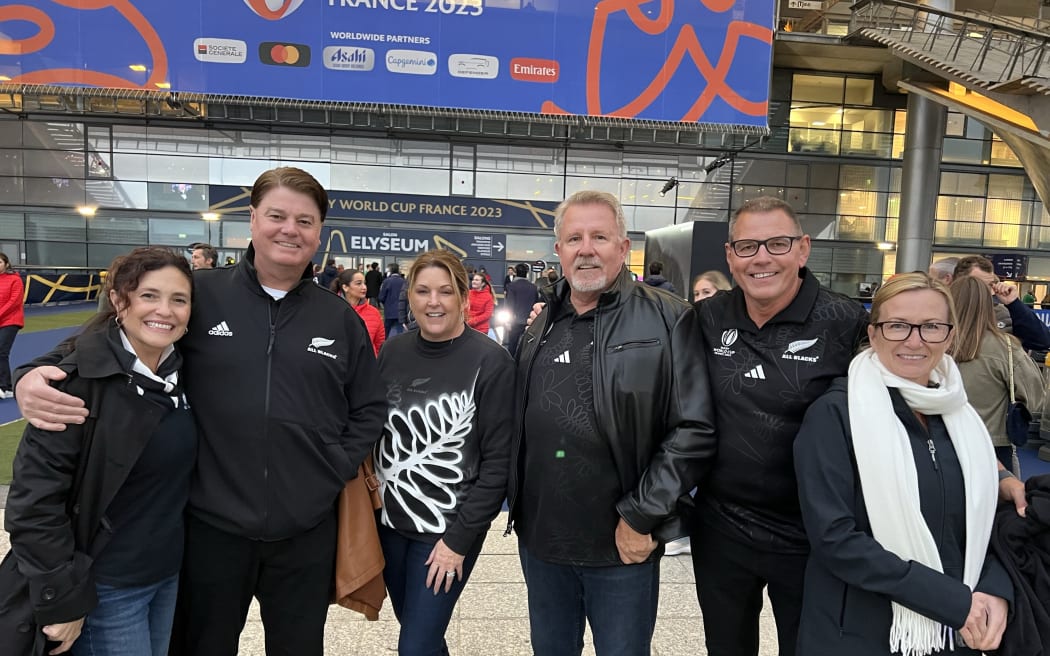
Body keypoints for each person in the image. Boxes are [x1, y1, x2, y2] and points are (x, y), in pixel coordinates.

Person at [15, 167, 387, 656]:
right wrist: (32, 372)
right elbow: (110, 334)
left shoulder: (339, 318)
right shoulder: (201, 294)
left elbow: (370, 406)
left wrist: (330, 468)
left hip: (304, 531)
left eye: (304, 220)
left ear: (319, 232)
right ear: (252, 219)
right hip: (209, 530)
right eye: (276, 215)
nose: (289, 230)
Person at [507, 190, 709, 655]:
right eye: (574, 238)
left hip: (621, 545)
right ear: (558, 251)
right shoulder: (541, 324)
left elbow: (693, 429)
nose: (586, 248)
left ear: (623, 247)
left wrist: (641, 516)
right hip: (542, 543)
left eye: (600, 236)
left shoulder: (668, 317)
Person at [669, 196, 869, 656]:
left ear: (802, 249)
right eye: (747, 246)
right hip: (721, 527)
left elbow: (908, 400)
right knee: (726, 647)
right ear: (730, 256)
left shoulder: (847, 323)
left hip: (812, 533)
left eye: (777, 244)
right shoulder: (708, 316)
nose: (762, 257)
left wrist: (993, 472)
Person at [794, 272, 1012, 655]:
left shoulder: (962, 419)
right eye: (897, 326)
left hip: (956, 632)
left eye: (930, 326)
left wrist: (996, 590)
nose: (914, 340)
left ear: (949, 334)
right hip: (860, 634)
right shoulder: (836, 415)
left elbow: (990, 522)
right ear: (874, 333)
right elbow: (835, 539)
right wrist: (951, 601)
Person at [2, 247, 197, 656]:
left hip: (165, 577)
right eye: (148, 295)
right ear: (119, 299)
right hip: (105, 587)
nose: (165, 310)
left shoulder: (183, 371)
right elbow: (33, 504)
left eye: (178, 299)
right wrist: (65, 599)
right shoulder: (75, 384)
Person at [373, 249, 514, 654]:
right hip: (389, 526)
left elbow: (498, 463)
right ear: (410, 298)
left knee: (414, 646)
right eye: (422, 291)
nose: (433, 302)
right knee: (423, 637)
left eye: (445, 292)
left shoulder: (491, 363)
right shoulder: (394, 352)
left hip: (445, 533)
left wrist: (459, 541)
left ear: (464, 299)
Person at [949, 275, 1043, 474]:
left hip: (941, 442)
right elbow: (1034, 396)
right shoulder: (1005, 347)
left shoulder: (932, 342)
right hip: (992, 444)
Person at [953, 255, 1050, 353]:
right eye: (979, 285)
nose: (987, 291)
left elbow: (1042, 341)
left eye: (990, 285)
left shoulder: (1002, 314)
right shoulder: (945, 312)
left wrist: (1014, 303)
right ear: (960, 283)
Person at [333, 269, 385, 356]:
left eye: (365, 283)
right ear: (345, 287)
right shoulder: (332, 310)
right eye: (358, 283)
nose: (364, 287)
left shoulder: (374, 312)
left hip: (366, 366)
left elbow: (379, 344)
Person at [0, 251, 24, 399]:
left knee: (1, 351)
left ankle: (5, 386)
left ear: (6, 264)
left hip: (11, 320)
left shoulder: (15, 280)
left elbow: (14, 302)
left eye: (0, 262)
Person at [502, 263, 538, 357]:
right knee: (527, 346)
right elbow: (536, 303)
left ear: (515, 272)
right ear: (527, 273)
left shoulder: (511, 286)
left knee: (512, 345)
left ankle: (511, 366)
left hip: (515, 320)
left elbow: (510, 305)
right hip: (530, 321)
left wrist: (508, 321)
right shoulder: (533, 287)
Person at [380, 262, 407, 337]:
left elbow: (381, 296)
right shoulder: (404, 281)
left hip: (389, 311)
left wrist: (385, 303)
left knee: (386, 333)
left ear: (390, 271)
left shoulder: (386, 281)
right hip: (401, 311)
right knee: (400, 332)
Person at [466, 272, 495, 336]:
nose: (473, 281)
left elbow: (487, 314)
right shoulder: (468, 293)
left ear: (483, 283)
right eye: (473, 279)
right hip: (467, 328)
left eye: (477, 280)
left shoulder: (488, 297)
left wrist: (473, 321)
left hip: (481, 330)